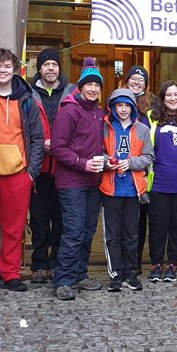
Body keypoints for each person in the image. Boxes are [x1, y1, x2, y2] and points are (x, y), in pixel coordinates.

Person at [0, 48, 44, 292]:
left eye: (7, 66)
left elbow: (37, 138)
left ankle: (10, 273)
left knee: (14, 229)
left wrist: (32, 173)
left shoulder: (26, 98)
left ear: (14, 68)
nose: (3, 70)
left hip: (18, 174)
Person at [50, 57, 106, 301]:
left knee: (87, 230)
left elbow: (95, 145)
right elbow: (58, 148)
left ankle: (80, 273)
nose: (93, 89)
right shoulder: (69, 111)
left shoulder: (97, 112)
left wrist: (106, 159)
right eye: (89, 85)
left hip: (92, 182)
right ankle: (63, 279)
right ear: (81, 86)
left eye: (97, 85)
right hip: (71, 181)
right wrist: (83, 163)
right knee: (73, 230)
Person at [28, 48, 76, 283]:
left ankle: (58, 262)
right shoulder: (28, 93)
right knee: (38, 218)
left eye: (54, 64)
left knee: (61, 218)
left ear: (59, 68)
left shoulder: (72, 92)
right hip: (38, 165)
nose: (50, 68)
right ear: (39, 68)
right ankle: (39, 264)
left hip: (64, 167)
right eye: (46, 64)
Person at [100, 88, 153, 292]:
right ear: (112, 107)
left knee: (131, 234)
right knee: (112, 235)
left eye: (126, 106)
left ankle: (131, 272)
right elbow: (98, 152)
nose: (123, 110)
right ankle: (115, 273)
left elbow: (149, 157)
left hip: (133, 189)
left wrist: (130, 163)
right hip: (110, 188)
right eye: (119, 106)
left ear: (133, 107)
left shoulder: (142, 130)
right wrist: (108, 162)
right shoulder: (105, 127)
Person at [146, 80, 177, 283]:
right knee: (158, 225)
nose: (173, 98)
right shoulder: (152, 118)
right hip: (158, 182)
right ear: (162, 98)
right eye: (169, 95)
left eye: (176, 94)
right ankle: (156, 264)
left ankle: (173, 264)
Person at [123, 64, 155, 272]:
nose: (136, 81)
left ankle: (135, 262)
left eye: (141, 79)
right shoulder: (119, 102)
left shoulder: (152, 107)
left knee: (141, 219)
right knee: (125, 219)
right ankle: (123, 261)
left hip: (144, 170)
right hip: (122, 169)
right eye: (133, 78)